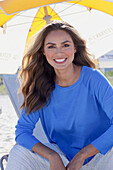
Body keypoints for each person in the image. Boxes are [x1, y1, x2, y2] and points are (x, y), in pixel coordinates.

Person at [6, 20, 113, 170]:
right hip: (63, 159)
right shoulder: (40, 86)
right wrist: (52, 156)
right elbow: (22, 132)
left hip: (102, 157)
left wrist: (82, 155)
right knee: (18, 152)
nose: (59, 52)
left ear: (75, 48)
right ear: (43, 51)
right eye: (51, 46)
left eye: (65, 45)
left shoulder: (93, 78)